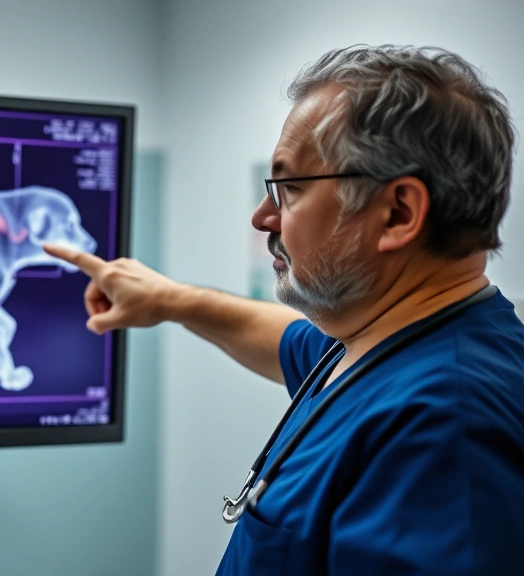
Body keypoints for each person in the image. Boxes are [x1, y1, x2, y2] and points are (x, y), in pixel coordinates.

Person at [45, 45, 524, 575]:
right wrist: (166, 298)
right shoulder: (382, 343)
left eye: (288, 189)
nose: (261, 217)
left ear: (398, 213)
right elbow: (281, 338)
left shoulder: (444, 429)